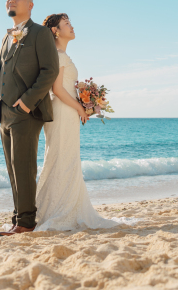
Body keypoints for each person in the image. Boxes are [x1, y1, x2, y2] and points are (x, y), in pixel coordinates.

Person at [34, 13, 119, 231]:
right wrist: (81, 107)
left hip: (67, 109)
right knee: (60, 157)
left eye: (71, 23)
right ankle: (56, 212)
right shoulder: (57, 55)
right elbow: (57, 89)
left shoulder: (62, 54)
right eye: (66, 24)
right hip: (63, 110)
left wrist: (85, 99)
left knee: (66, 158)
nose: (72, 27)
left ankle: (64, 208)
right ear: (55, 31)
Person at [0, 0, 59, 236]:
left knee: (24, 167)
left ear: (31, 5)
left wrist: (27, 101)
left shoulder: (40, 33)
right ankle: (18, 218)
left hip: (26, 111)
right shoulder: (6, 37)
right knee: (13, 169)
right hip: (4, 112)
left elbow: (50, 70)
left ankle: (27, 222)